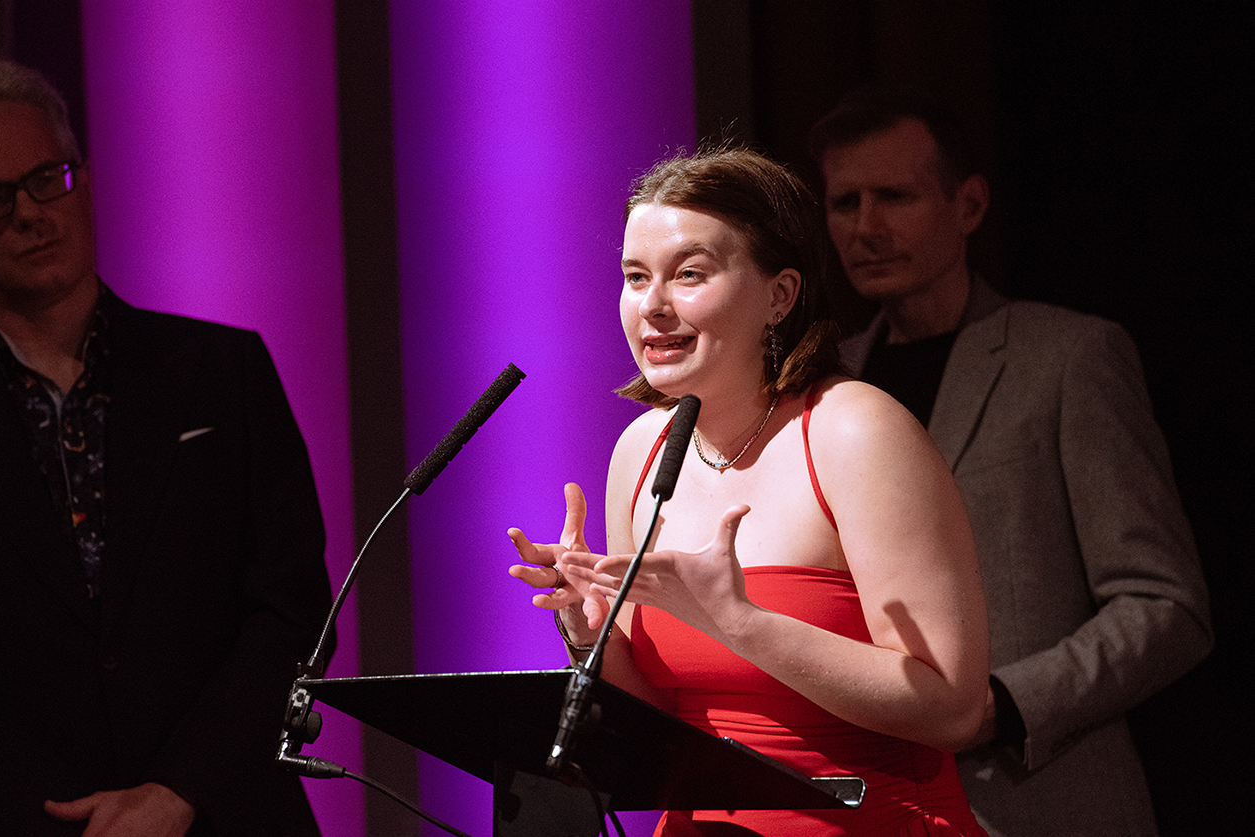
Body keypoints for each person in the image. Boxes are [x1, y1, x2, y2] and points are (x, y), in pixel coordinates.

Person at [0, 55, 332, 836]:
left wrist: (177, 790)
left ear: (84, 179)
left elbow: (292, 607)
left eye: (46, 179)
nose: (30, 213)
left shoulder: (222, 372)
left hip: (224, 815)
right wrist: (66, 822)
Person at [508, 147, 991, 836]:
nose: (653, 306)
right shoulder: (642, 450)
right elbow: (661, 714)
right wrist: (590, 636)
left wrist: (739, 621)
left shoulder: (855, 431)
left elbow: (953, 708)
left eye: (689, 274)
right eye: (636, 277)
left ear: (779, 295)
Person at [808, 83, 1213, 837]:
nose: (866, 227)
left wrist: (1003, 704)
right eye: (845, 203)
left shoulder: (1068, 357)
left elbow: (1167, 605)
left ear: (968, 206)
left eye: (894, 196)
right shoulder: (822, 387)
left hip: (1036, 801)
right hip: (870, 805)